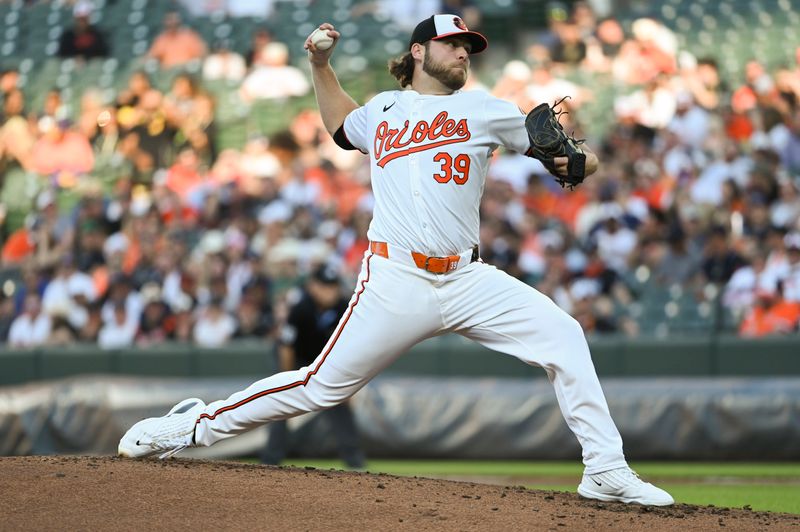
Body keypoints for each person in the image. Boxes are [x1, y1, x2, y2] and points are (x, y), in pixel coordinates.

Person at [118, 14, 674, 506]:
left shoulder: (486, 109)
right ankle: (191, 428)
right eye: (453, 44)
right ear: (418, 52)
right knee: (321, 387)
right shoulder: (383, 110)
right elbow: (342, 126)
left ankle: (605, 470)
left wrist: (575, 159)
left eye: (469, 47)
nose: (463, 53)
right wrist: (319, 66)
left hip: (466, 276)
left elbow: (578, 163)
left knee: (564, 336)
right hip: (396, 277)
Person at [261, 264, 366, 469]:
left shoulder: (343, 308)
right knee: (280, 407)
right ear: (312, 286)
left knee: (341, 406)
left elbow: (352, 348)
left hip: (328, 364)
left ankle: (355, 462)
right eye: (325, 286)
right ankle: (270, 461)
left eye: (333, 286)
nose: (330, 291)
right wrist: (287, 380)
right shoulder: (301, 308)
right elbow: (286, 348)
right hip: (296, 361)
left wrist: (350, 385)